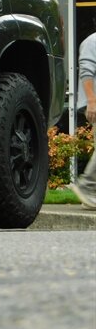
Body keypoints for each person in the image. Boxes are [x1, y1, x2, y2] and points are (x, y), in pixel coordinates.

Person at [70, 32, 96, 209]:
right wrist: (92, 100)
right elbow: (86, 70)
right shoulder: (92, 41)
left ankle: (89, 195)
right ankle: (87, 186)